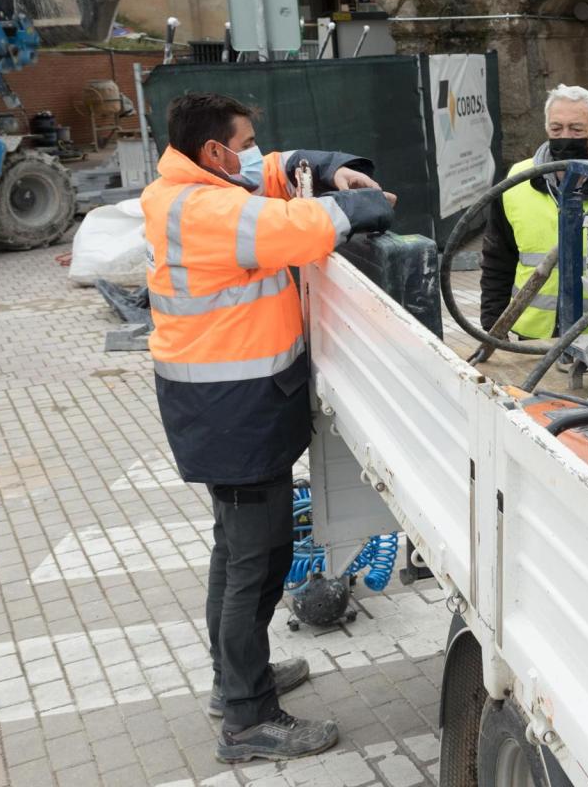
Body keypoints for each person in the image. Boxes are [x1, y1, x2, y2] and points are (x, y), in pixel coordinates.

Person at [143, 93, 395, 763]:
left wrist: (333, 166)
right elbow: (301, 228)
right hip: (233, 412)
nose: (256, 150)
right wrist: (365, 204)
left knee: (239, 556)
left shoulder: (189, 183)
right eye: (245, 140)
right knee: (253, 566)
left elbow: (278, 172)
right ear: (216, 152)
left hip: (226, 408)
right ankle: (248, 719)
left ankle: (238, 683)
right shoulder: (206, 209)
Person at [480, 85, 588, 339]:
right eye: (556, 129)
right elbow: (497, 259)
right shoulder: (517, 182)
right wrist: (493, 326)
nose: (565, 137)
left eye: (576, 129)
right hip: (534, 338)